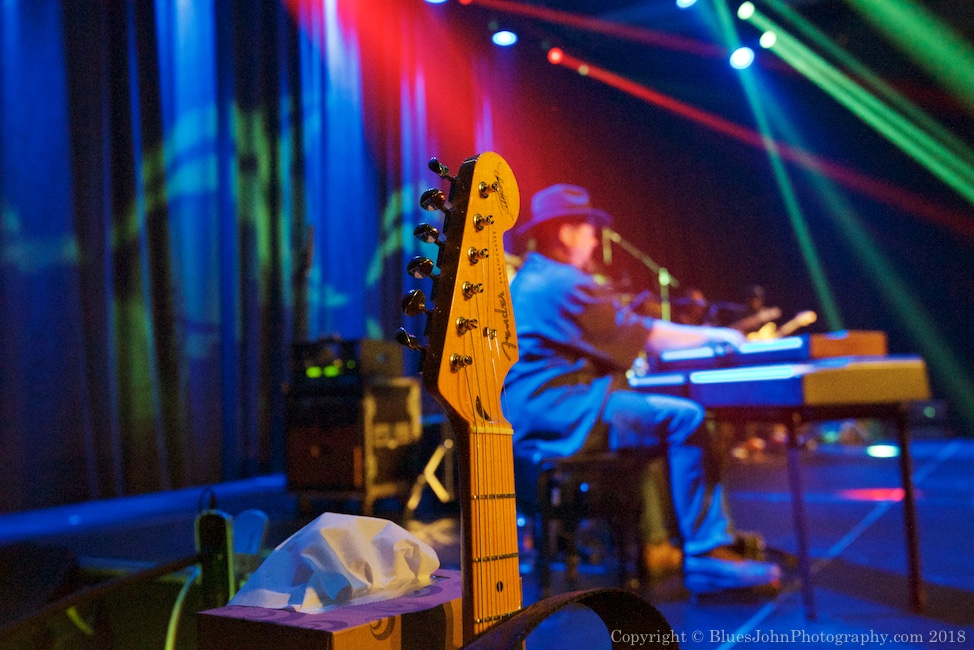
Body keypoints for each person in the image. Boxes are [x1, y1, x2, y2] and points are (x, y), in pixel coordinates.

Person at [503, 183, 781, 594]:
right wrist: (718, 336)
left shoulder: (530, 278)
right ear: (566, 232)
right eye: (589, 230)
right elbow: (644, 334)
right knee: (685, 417)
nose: (595, 240)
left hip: (542, 408)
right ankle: (707, 554)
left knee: (649, 419)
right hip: (562, 411)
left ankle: (663, 543)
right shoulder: (562, 282)